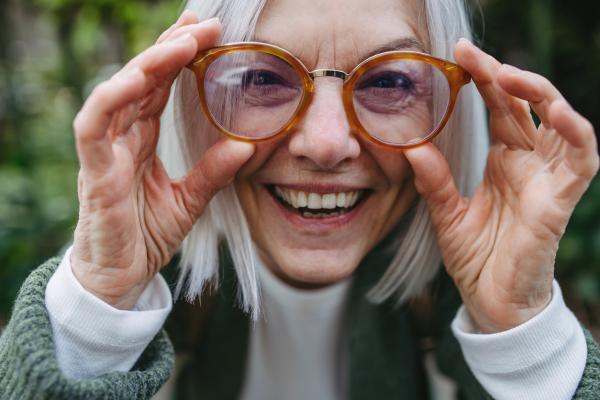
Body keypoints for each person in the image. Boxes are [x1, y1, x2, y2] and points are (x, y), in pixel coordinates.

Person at [1, 0, 599, 399]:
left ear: (448, 115)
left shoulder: (451, 290)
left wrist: (520, 333)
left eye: (390, 80)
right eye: (262, 77)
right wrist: (99, 300)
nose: (326, 143)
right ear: (192, 101)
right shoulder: (159, 285)